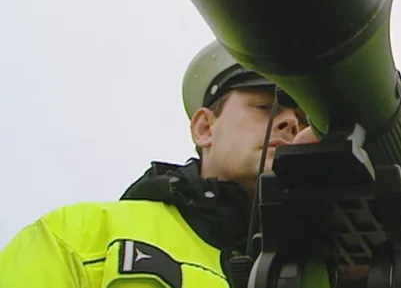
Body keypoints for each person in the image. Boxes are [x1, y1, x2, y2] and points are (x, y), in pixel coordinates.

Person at [0, 40, 315, 288]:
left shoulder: (328, 263)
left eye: (302, 121)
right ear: (205, 128)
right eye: (265, 107)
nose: (289, 122)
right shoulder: (74, 238)